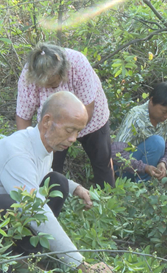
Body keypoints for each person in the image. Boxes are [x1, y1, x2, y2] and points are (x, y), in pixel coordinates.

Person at [0, 92, 111, 273]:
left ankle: (22, 256)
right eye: (70, 130)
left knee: (57, 182)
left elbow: (40, 175)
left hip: (3, 225)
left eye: (78, 132)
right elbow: (35, 208)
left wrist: (76, 188)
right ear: (47, 121)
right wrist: (80, 264)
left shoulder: (44, 143)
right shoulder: (17, 153)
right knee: (9, 203)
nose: (73, 139)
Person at [16, 43, 114, 189]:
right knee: (50, 170)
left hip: (92, 119)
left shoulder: (78, 63)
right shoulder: (28, 76)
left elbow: (88, 108)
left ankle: (108, 200)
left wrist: (69, 133)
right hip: (54, 127)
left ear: (63, 72)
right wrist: (28, 147)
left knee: (102, 161)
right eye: (46, 85)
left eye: (53, 83)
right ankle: (50, 204)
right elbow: (23, 116)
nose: (49, 87)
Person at [111, 82, 167, 185]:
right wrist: (144, 168)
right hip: (130, 169)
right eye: (164, 112)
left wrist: (164, 162)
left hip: (156, 155)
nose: (166, 116)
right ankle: (143, 185)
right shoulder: (135, 116)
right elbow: (116, 153)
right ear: (151, 101)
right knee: (157, 142)